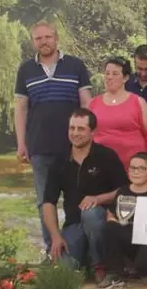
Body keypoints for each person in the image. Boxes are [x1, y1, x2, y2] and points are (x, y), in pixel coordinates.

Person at [14, 20, 93, 256]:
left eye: (47, 37)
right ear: (33, 42)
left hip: (74, 147)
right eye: (38, 38)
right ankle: (53, 250)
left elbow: (86, 103)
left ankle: (81, 251)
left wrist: (89, 138)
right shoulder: (26, 69)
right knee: (44, 201)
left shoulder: (75, 65)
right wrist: (21, 143)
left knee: (78, 197)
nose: (43, 42)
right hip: (39, 146)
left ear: (56, 38)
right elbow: (21, 109)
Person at [41, 108, 129, 282]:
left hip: (102, 223)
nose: (75, 133)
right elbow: (48, 202)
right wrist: (56, 236)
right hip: (74, 225)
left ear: (93, 131)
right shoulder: (59, 160)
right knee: (61, 271)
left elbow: (124, 190)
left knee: (90, 212)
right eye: (72, 128)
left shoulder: (106, 156)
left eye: (81, 129)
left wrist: (98, 199)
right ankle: (85, 261)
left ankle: (100, 266)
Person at [98, 152, 147, 289]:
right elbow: (112, 214)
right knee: (109, 228)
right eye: (132, 168)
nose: (136, 172)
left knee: (143, 266)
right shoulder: (122, 191)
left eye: (141, 168)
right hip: (128, 237)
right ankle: (115, 274)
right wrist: (112, 222)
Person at [89, 56, 147, 171]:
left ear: (125, 77)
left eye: (115, 74)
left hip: (133, 171)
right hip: (101, 168)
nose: (109, 77)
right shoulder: (93, 103)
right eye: (107, 73)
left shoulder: (138, 102)